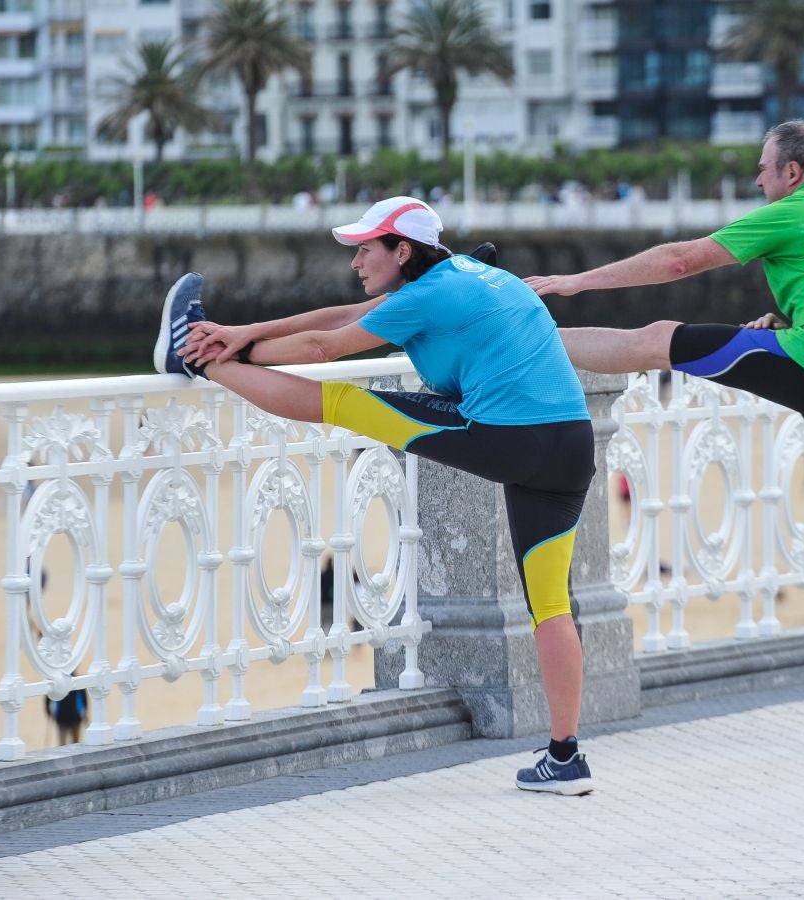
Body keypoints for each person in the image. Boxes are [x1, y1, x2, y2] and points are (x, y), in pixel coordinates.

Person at [153, 196, 597, 794]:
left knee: (347, 402)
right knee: (551, 605)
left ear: (403, 249)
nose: (357, 259)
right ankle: (565, 757)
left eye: (367, 248)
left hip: (507, 440)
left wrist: (219, 350)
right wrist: (241, 333)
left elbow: (322, 349)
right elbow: (345, 313)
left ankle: (190, 359)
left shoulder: (431, 294)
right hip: (570, 447)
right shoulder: (473, 276)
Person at [524, 120, 804, 750]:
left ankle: (513, 340)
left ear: (791, 172)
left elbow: (681, 258)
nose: (758, 179)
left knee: (657, 341)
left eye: (763, 168)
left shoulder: (800, 209)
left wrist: (573, 283)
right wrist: (789, 319)